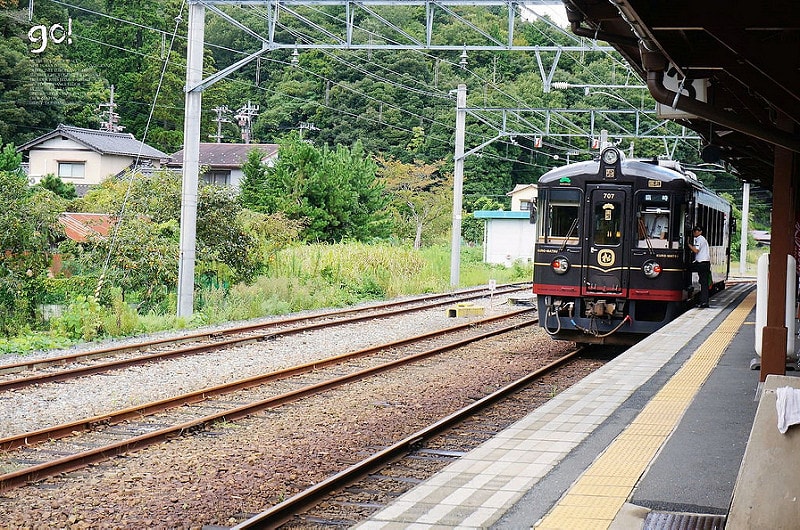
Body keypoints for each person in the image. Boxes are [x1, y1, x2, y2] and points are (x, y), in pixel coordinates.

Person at [688, 225, 711, 307]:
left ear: (700, 232)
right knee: (703, 283)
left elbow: (696, 250)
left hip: (702, 263)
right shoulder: (701, 239)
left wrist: (688, 245)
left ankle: (704, 302)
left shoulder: (700, 239)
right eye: (694, 230)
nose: (695, 232)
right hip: (703, 263)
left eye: (697, 230)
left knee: (687, 268)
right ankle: (703, 301)